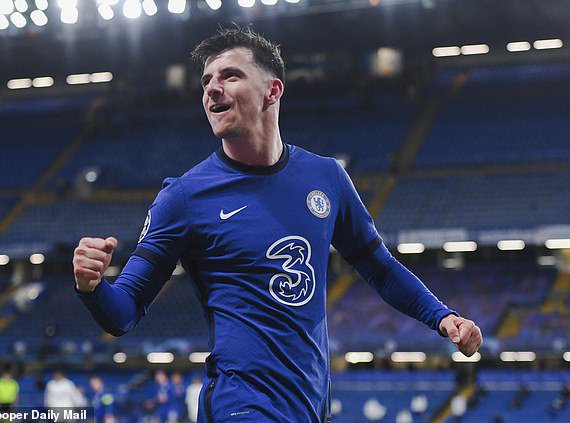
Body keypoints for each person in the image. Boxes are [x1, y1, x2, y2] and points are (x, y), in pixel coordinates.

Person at [73, 27, 483, 422]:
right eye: (206, 81)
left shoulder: (326, 178)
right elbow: (123, 312)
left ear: (272, 91)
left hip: (310, 407)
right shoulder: (183, 197)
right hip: (240, 405)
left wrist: (442, 317)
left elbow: (380, 268)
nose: (212, 88)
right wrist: (93, 286)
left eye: (230, 75)